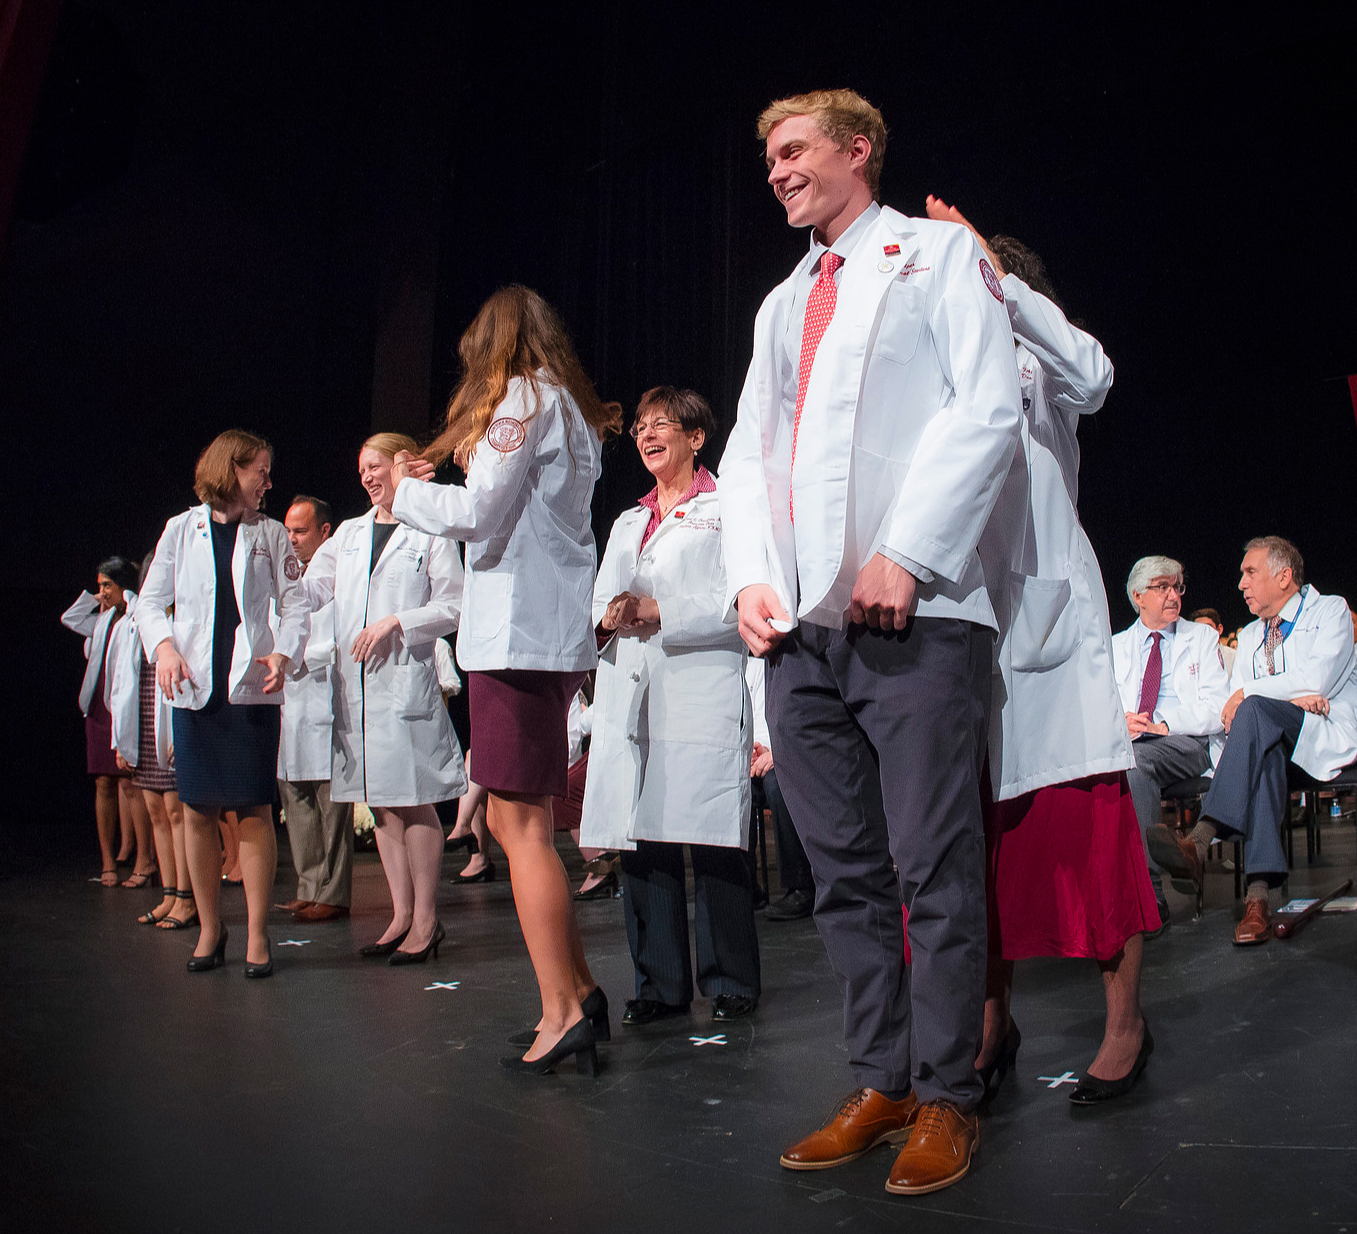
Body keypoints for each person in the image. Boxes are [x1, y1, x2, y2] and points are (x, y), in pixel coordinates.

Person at [718, 91, 1021, 1194]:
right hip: (799, 631)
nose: (776, 171)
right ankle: (880, 1078)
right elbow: (753, 448)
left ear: (857, 150)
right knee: (842, 874)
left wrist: (910, 549)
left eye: (791, 151)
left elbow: (985, 409)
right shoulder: (782, 298)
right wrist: (751, 575)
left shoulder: (936, 256)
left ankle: (948, 1094)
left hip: (915, 615)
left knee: (931, 866)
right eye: (767, 158)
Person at [926, 200, 1161, 1107]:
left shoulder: (1042, 359)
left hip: (1045, 629)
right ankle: (993, 1021)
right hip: (960, 625)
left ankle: (1124, 1024)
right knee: (972, 843)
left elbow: (1097, 373)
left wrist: (1001, 280)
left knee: (1082, 828)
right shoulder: (943, 366)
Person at [392, 285, 622, 1076]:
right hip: (539, 633)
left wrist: (402, 493)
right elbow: (509, 496)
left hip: (517, 637)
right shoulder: (566, 407)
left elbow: (482, 511)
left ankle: (560, 1012)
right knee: (509, 822)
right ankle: (581, 992)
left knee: (519, 826)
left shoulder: (521, 396)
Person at [580, 387, 760, 1025]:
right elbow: (603, 596)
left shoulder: (726, 508)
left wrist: (661, 611)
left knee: (711, 839)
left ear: (696, 437)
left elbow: (741, 596)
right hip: (636, 689)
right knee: (644, 841)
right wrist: (610, 613)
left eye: (662, 423)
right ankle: (659, 986)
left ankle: (730, 979)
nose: (646, 433)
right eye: (639, 425)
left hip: (702, 685)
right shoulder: (628, 522)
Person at [137, 429, 309, 978]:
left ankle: (257, 935)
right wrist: (163, 648)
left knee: (254, 810)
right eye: (261, 469)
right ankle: (211, 927)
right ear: (232, 468)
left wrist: (284, 653)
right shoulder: (179, 531)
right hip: (194, 688)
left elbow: (297, 605)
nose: (268, 481)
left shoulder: (273, 533)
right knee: (197, 810)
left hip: (251, 688)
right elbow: (150, 603)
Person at [295, 435, 466, 960]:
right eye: (361, 468)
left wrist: (397, 621)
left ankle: (428, 920)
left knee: (414, 802)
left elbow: (455, 605)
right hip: (358, 692)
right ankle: (401, 915)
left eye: (375, 465)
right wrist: (273, 573)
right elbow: (310, 591)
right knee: (384, 805)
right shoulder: (348, 534)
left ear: (401, 465)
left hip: (403, 687)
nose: (367, 476)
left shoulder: (429, 530)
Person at [1148, 537, 1357, 945]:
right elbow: (1243, 707)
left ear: (1284, 576)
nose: (1242, 584)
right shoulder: (1249, 637)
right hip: (1279, 742)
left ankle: (1201, 838)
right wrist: (1284, 696)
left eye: (1250, 572)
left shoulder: (1330, 611)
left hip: (1324, 735)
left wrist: (1257, 695)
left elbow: (1312, 681)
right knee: (1264, 746)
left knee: (1257, 710)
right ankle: (1260, 898)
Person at [1111, 557, 1231, 924]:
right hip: (1132, 744)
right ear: (1138, 596)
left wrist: (1161, 723)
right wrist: (1120, 720)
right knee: (1126, 769)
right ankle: (1114, 889)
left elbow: (1217, 708)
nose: (1173, 595)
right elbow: (1101, 704)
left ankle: (1148, 895)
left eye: (1177, 586)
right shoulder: (1114, 646)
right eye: (1162, 587)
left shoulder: (1202, 638)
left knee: (1135, 763)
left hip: (1187, 742)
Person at [275, 495, 356, 925]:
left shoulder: (339, 570)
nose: (291, 538)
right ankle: (308, 886)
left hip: (325, 695)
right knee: (297, 798)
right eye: (288, 530)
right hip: (291, 700)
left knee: (331, 804)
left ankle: (334, 892)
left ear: (325, 531)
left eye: (300, 531)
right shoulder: (286, 579)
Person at [109, 551, 191, 926]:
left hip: (172, 722)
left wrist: (180, 731)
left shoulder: (185, 619)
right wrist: (119, 740)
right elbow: (119, 684)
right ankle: (169, 894)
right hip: (142, 723)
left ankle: (186, 898)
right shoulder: (135, 622)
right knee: (156, 812)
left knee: (178, 814)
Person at [62, 556, 153, 886]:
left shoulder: (133, 615)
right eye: (100, 586)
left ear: (123, 586)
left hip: (122, 705)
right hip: (98, 707)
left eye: (107, 586)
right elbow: (70, 618)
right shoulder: (102, 619)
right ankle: (107, 862)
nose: (102, 591)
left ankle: (145, 859)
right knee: (102, 782)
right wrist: (93, 599)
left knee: (130, 784)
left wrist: (123, 599)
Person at [746, 657, 813, 920]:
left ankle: (801, 886)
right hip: (752, 759)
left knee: (777, 785)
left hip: (785, 756)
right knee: (743, 792)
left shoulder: (784, 667)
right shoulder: (742, 669)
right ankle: (746, 886)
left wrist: (775, 752)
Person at [1189, 606, 1237, 676]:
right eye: (1198, 629)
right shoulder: (1189, 659)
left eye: (1208, 628)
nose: (1203, 633)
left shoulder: (1233, 657)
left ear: (1219, 629)